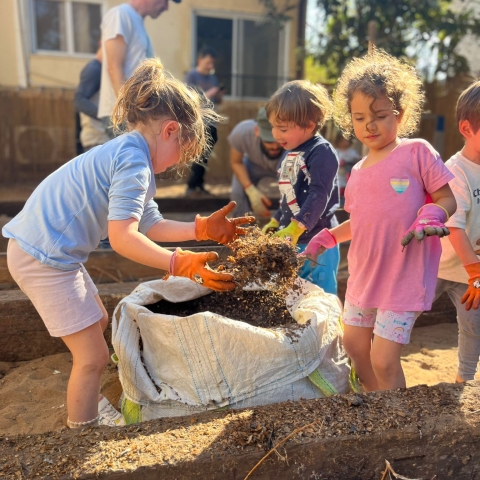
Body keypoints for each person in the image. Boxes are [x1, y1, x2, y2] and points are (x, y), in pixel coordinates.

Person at [3, 59, 253, 429]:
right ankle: (82, 431)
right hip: (44, 258)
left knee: (99, 320)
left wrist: (200, 228)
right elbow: (123, 238)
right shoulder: (134, 163)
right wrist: (177, 264)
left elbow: (148, 222)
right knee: (91, 357)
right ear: (170, 130)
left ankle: (90, 403)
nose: (173, 167)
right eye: (180, 155)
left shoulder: (129, 151)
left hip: (50, 252)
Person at [303, 49, 457, 392]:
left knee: (384, 360)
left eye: (379, 115)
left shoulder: (416, 151)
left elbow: (447, 198)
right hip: (364, 277)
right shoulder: (356, 171)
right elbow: (361, 222)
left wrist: (432, 212)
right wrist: (327, 237)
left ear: (399, 115)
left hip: (402, 279)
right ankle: (376, 405)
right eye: (358, 118)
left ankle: (396, 416)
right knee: (356, 347)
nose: (369, 125)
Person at [261, 80, 341, 295]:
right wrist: (276, 220)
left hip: (317, 241)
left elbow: (319, 193)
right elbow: (289, 195)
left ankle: (331, 329)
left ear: (309, 124)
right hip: (291, 238)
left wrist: (297, 227)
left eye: (283, 128)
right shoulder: (290, 152)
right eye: (274, 126)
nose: (276, 134)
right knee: (293, 293)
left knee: (320, 295)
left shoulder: (321, 152)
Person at [434, 80, 480, 383]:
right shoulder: (456, 171)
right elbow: (454, 227)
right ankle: (377, 365)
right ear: (466, 129)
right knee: (403, 316)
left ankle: (464, 382)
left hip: (469, 273)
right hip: (438, 265)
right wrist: (475, 271)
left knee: (473, 327)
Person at [98, 0, 181, 136]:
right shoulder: (121, 15)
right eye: (165, 1)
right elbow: (114, 67)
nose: (166, 8)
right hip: (123, 116)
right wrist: (127, 114)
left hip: (136, 115)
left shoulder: (137, 22)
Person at [229, 107, 284, 218]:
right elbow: (236, 162)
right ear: (257, 131)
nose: (275, 146)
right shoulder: (241, 133)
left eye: (279, 140)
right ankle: (240, 225)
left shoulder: (298, 139)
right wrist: (251, 190)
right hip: (254, 165)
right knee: (237, 191)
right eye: (269, 140)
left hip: (285, 167)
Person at [184, 46, 223, 196]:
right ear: (199, 60)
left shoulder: (213, 78)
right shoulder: (191, 76)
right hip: (197, 122)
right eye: (208, 62)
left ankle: (199, 184)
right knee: (198, 154)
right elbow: (187, 99)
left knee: (206, 156)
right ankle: (191, 186)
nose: (210, 66)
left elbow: (218, 101)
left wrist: (218, 94)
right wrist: (209, 93)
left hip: (212, 122)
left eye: (212, 63)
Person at [74, 46, 110, 151]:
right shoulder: (95, 69)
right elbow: (79, 100)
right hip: (97, 141)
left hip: (102, 140)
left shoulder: (101, 69)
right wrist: (106, 118)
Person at [334, 132, 360, 201]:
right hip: (338, 175)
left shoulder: (352, 152)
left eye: (346, 141)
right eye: (341, 141)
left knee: (347, 190)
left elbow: (357, 161)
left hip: (348, 176)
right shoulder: (336, 151)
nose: (344, 143)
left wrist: (347, 163)